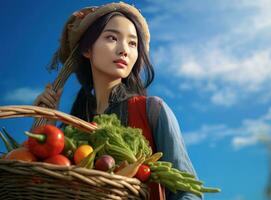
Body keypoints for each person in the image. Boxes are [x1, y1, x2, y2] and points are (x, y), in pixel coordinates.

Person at [33, 2, 201, 200]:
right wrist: (46, 125)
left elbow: (187, 191)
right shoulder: (71, 128)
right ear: (87, 49)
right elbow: (40, 187)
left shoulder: (152, 110)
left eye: (132, 43)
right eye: (112, 38)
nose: (124, 50)